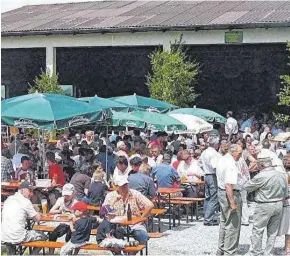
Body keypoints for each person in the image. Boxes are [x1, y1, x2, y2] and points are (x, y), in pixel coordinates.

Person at [244, 156, 288, 256]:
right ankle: (269, 252)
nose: (257, 167)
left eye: (258, 165)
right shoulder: (281, 174)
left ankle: (257, 252)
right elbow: (285, 192)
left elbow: (247, 186)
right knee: (272, 231)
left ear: (262, 165)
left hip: (264, 205)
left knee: (258, 230)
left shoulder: (261, 176)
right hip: (278, 204)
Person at [103, 176, 154, 245]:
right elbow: (103, 211)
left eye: (126, 184)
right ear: (116, 186)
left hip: (135, 225)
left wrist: (141, 219)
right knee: (113, 239)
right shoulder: (110, 196)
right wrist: (114, 201)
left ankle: (131, 254)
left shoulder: (134, 193)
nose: (125, 187)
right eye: (122, 185)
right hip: (117, 225)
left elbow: (150, 205)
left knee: (143, 236)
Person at [1, 181, 47, 255]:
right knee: (43, 236)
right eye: (30, 191)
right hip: (17, 236)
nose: (32, 194)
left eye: (32, 191)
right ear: (22, 190)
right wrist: (37, 210)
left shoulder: (9, 199)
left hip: (4, 235)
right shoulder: (25, 201)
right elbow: (38, 218)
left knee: (12, 236)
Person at [216, 144, 243, 255]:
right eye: (239, 153)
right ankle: (229, 251)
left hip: (221, 192)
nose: (240, 156)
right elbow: (228, 184)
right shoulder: (231, 163)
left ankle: (221, 249)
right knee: (233, 224)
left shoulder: (222, 159)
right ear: (233, 152)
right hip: (230, 193)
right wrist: (232, 202)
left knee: (224, 222)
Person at [198, 138, 220, 226]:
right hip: (212, 175)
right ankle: (208, 218)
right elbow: (215, 166)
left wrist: (204, 169)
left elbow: (199, 163)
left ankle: (206, 214)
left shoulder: (204, 152)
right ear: (216, 144)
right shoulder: (214, 154)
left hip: (206, 175)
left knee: (208, 196)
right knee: (213, 197)